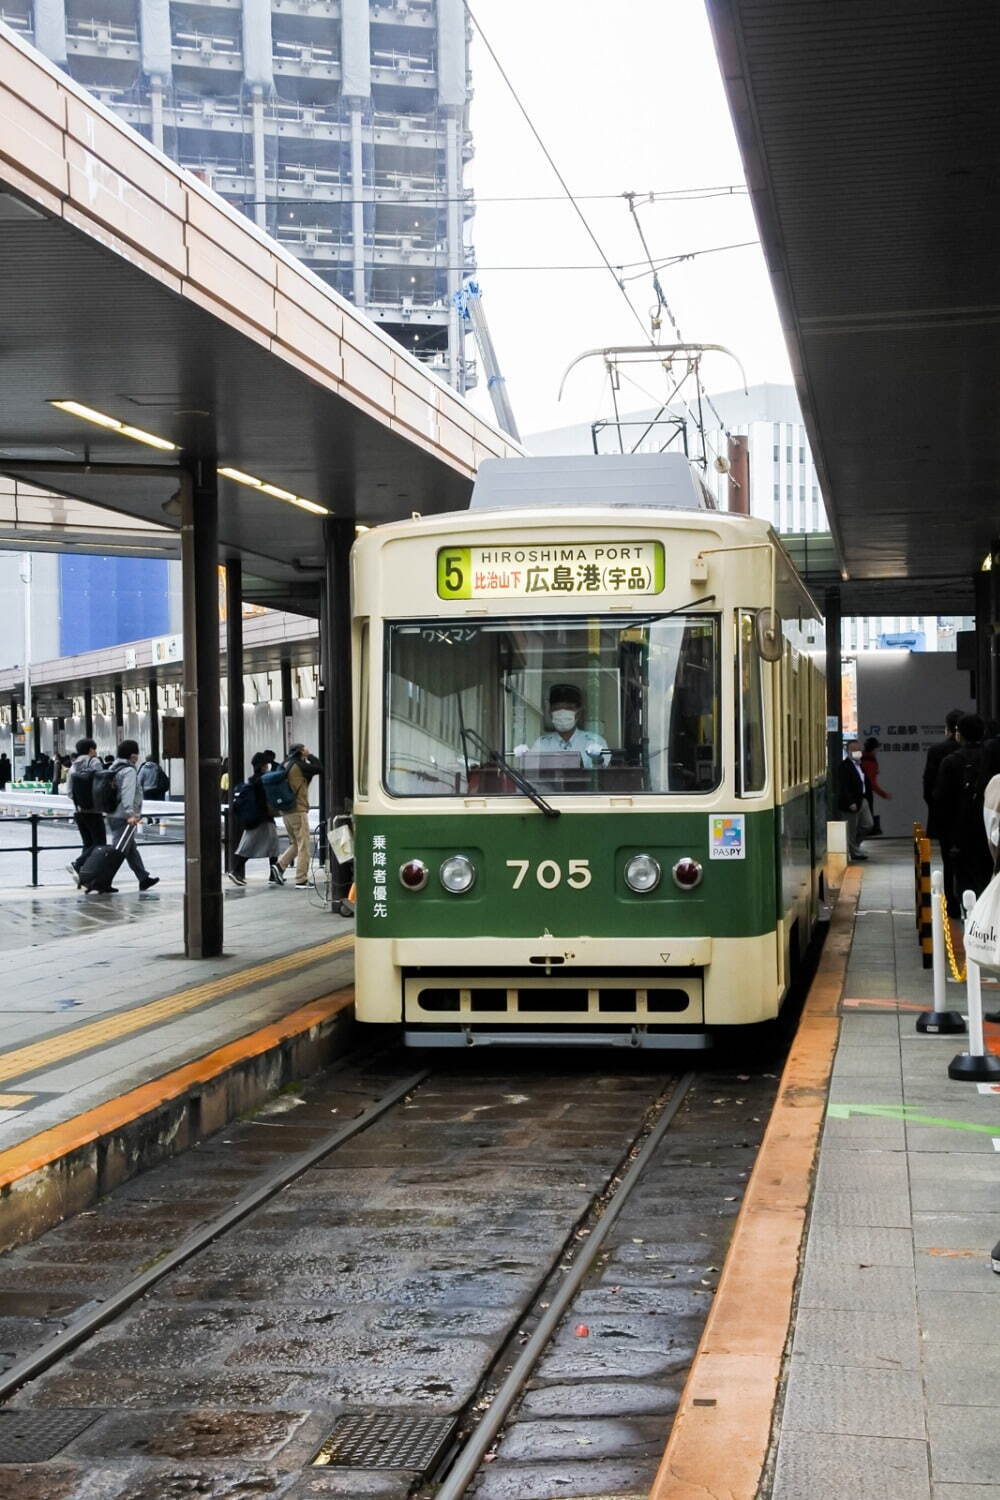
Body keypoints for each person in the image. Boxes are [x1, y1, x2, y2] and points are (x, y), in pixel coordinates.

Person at [934, 713, 992, 916]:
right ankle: (987, 917)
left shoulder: (951, 761)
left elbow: (941, 800)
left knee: (962, 875)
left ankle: (961, 913)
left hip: (959, 831)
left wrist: (945, 834)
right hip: (989, 829)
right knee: (987, 874)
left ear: (958, 734)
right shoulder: (992, 758)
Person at [104, 739, 160, 892]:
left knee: (130, 849)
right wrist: (131, 814)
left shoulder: (114, 767)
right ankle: (102, 879)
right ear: (132, 754)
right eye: (136, 753)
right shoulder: (129, 770)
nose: (137, 756)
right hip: (124, 816)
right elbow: (127, 793)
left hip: (113, 813)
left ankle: (143, 878)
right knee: (118, 850)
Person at [228, 751, 285, 887]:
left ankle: (272, 875)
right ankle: (236, 871)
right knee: (249, 847)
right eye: (266, 764)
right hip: (261, 819)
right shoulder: (263, 781)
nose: (268, 766)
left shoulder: (253, 780)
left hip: (259, 819)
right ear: (263, 766)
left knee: (272, 846)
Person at [528, 684, 609, 766]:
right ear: (550, 713)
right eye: (557, 708)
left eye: (569, 708)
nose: (562, 713)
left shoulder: (595, 741)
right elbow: (531, 773)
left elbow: (606, 775)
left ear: (578, 713)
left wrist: (598, 760)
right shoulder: (541, 744)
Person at [276, 743, 321, 889]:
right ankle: (301, 879)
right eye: (304, 750)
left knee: (296, 843)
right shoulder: (300, 765)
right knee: (303, 845)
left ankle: (279, 866)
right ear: (301, 752)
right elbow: (320, 768)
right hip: (298, 811)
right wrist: (309, 756)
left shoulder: (285, 764)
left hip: (286, 811)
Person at [66, 737, 106, 886]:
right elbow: (102, 785)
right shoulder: (94, 762)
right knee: (100, 843)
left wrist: (80, 802)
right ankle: (77, 864)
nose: (95, 752)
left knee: (88, 844)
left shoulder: (73, 767)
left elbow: (69, 792)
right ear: (91, 749)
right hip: (93, 810)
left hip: (78, 810)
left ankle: (84, 877)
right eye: (94, 749)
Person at [837, 739, 868, 861]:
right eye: (854, 749)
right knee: (851, 829)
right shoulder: (844, 767)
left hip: (862, 799)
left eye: (858, 749)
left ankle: (855, 845)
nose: (857, 752)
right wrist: (850, 802)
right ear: (847, 751)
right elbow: (843, 787)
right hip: (851, 803)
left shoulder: (860, 765)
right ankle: (855, 852)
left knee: (868, 824)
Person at [860, 736, 892, 835]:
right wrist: (884, 794)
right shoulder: (871, 762)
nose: (878, 750)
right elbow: (871, 784)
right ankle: (855, 845)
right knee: (867, 823)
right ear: (874, 749)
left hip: (857, 792)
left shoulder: (861, 758)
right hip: (866, 794)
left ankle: (855, 846)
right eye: (877, 748)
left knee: (860, 821)